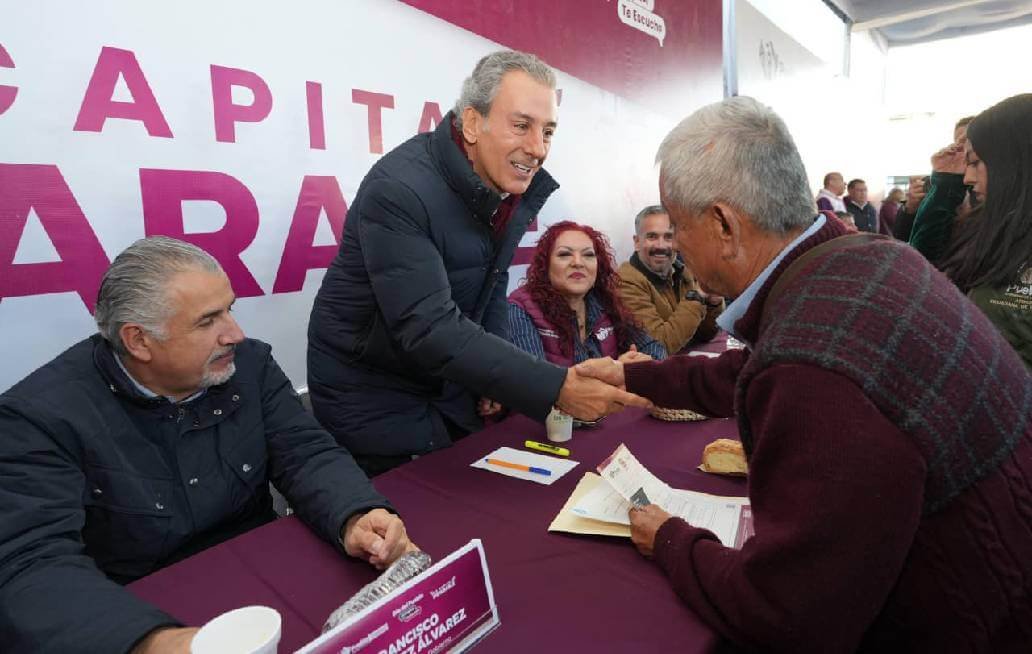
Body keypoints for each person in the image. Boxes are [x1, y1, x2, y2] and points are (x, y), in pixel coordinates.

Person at [577, 97, 1032, 652]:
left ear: (723, 223)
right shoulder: (870, 258)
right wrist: (636, 380)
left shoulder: (811, 371)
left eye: (677, 226)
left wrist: (670, 539)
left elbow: (786, 614)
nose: (674, 245)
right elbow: (757, 364)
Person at [0, 237, 419, 654]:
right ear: (138, 341)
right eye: (207, 322)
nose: (234, 334)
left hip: (266, 576)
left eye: (230, 310)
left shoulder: (250, 366)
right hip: (136, 607)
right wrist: (153, 643)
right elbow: (30, 564)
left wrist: (355, 513)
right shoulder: (38, 418)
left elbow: (306, 452)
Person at [306, 50, 646, 475]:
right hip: (372, 398)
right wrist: (556, 388)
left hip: (441, 383)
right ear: (471, 123)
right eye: (521, 125)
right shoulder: (399, 190)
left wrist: (492, 378)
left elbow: (490, 285)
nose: (538, 148)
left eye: (548, 131)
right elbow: (429, 328)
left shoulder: (498, 184)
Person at [909, 94, 1032, 367]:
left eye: (975, 162)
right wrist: (945, 187)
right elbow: (925, 265)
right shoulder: (988, 223)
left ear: (1016, 160)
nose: (968, 177)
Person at [508, 220, 665, 365]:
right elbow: (535, 384)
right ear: (545, 264)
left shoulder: (605, 301)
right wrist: (617, 370)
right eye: (564, 254)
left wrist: (644, 364)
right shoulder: (520, 309)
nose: (578, 262)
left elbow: (654, 347)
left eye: (588, 255)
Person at [615, 205, 722, 354]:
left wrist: (713, 304)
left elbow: (704, 335)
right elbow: (659, 346)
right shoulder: (625, 282)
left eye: (668, 237)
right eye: (652, 236)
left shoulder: (682, 272)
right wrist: (697, 296)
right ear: (637, 242)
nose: (661, 246)